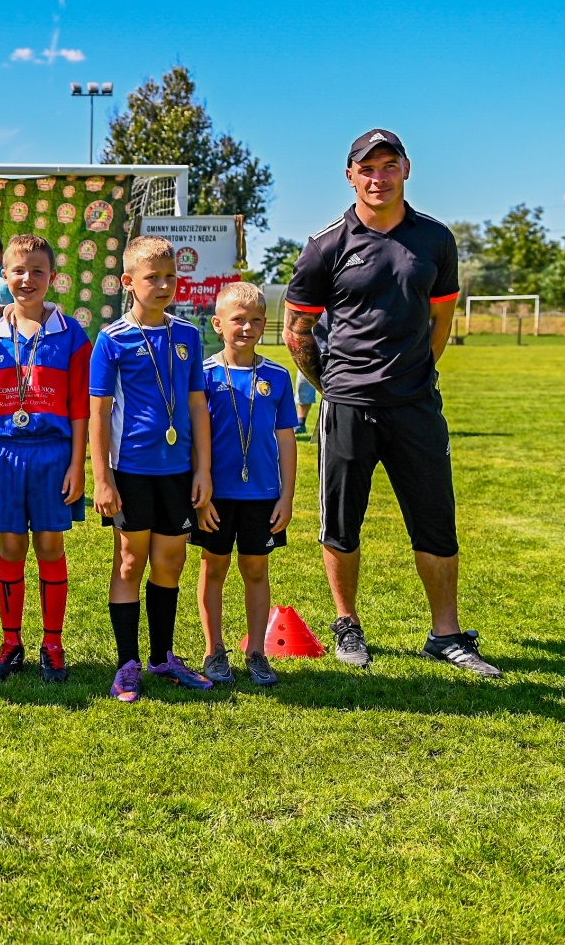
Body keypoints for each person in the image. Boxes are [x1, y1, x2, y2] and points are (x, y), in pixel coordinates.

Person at [284, 128, 499, 677]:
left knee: (435, 521)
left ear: (407, 169)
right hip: (348, 406)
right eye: (367, 168)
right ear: (350, 175)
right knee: (341, 522)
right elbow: (296, 330)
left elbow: (441, 317)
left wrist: (419, 373)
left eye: (388, 166)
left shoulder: (435, 239)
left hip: (415, 406)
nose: (378, 177)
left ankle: (446, 634)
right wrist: (333, 386)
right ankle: (347, 624)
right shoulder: (325, 244)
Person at [89, 235, 214, 704]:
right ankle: (127, 663)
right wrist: (102, 478)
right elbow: (98, 413)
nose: (163, 286)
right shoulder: (112, 339)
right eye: (151, 278)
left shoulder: (186, 335)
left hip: (179, 470)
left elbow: (198, 405)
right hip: (131, 471)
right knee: (129, 560)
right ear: (128, 282)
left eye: (169, 277)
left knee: (171, 561)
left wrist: (203, 469)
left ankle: (162, 657)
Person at [0, 233, 88, 684]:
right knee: (11, 546)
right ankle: (11, 640)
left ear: (53, 278)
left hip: (53, 454)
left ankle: (53, 644)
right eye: (18, 271)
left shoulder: (71, 333)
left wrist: (78, 464)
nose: (27, 279)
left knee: (50, 546)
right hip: (2, 454)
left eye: (38, 271)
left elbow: (80, 407)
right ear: (4, 276)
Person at [192, 282, 297, 687]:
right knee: (213, 567)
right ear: (219, 324)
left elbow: (286, 440)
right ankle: (213, 649)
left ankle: (256, 651)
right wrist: (200, 500)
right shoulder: (202, 374)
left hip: (263, 497)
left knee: (256, 569)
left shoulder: (277, 376)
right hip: (215, 497)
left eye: (256, 320)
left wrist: (286, 496)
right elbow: (193, 442)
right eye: (238, 320)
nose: (247, 327)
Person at [293, 314, 329, 437]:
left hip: (334, 352)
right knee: (303, 386)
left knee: (333, 393)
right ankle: (300, 423)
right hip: (313, 349)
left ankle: (328, 428)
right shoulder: (317, 303)